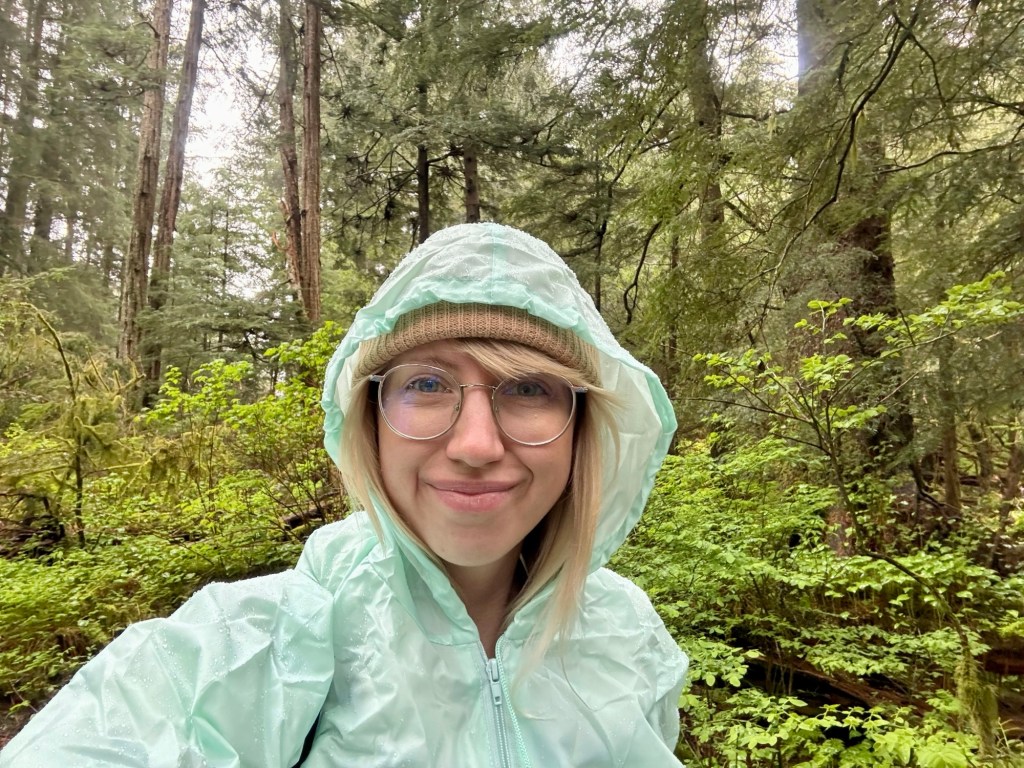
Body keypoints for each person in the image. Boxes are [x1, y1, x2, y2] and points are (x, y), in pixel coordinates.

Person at [0, 223, 688, 767]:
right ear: (369, 419)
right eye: (425, 384)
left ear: (583, 429)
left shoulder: (630, 636)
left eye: (529, 388)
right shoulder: (286, 633)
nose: (477, 444)